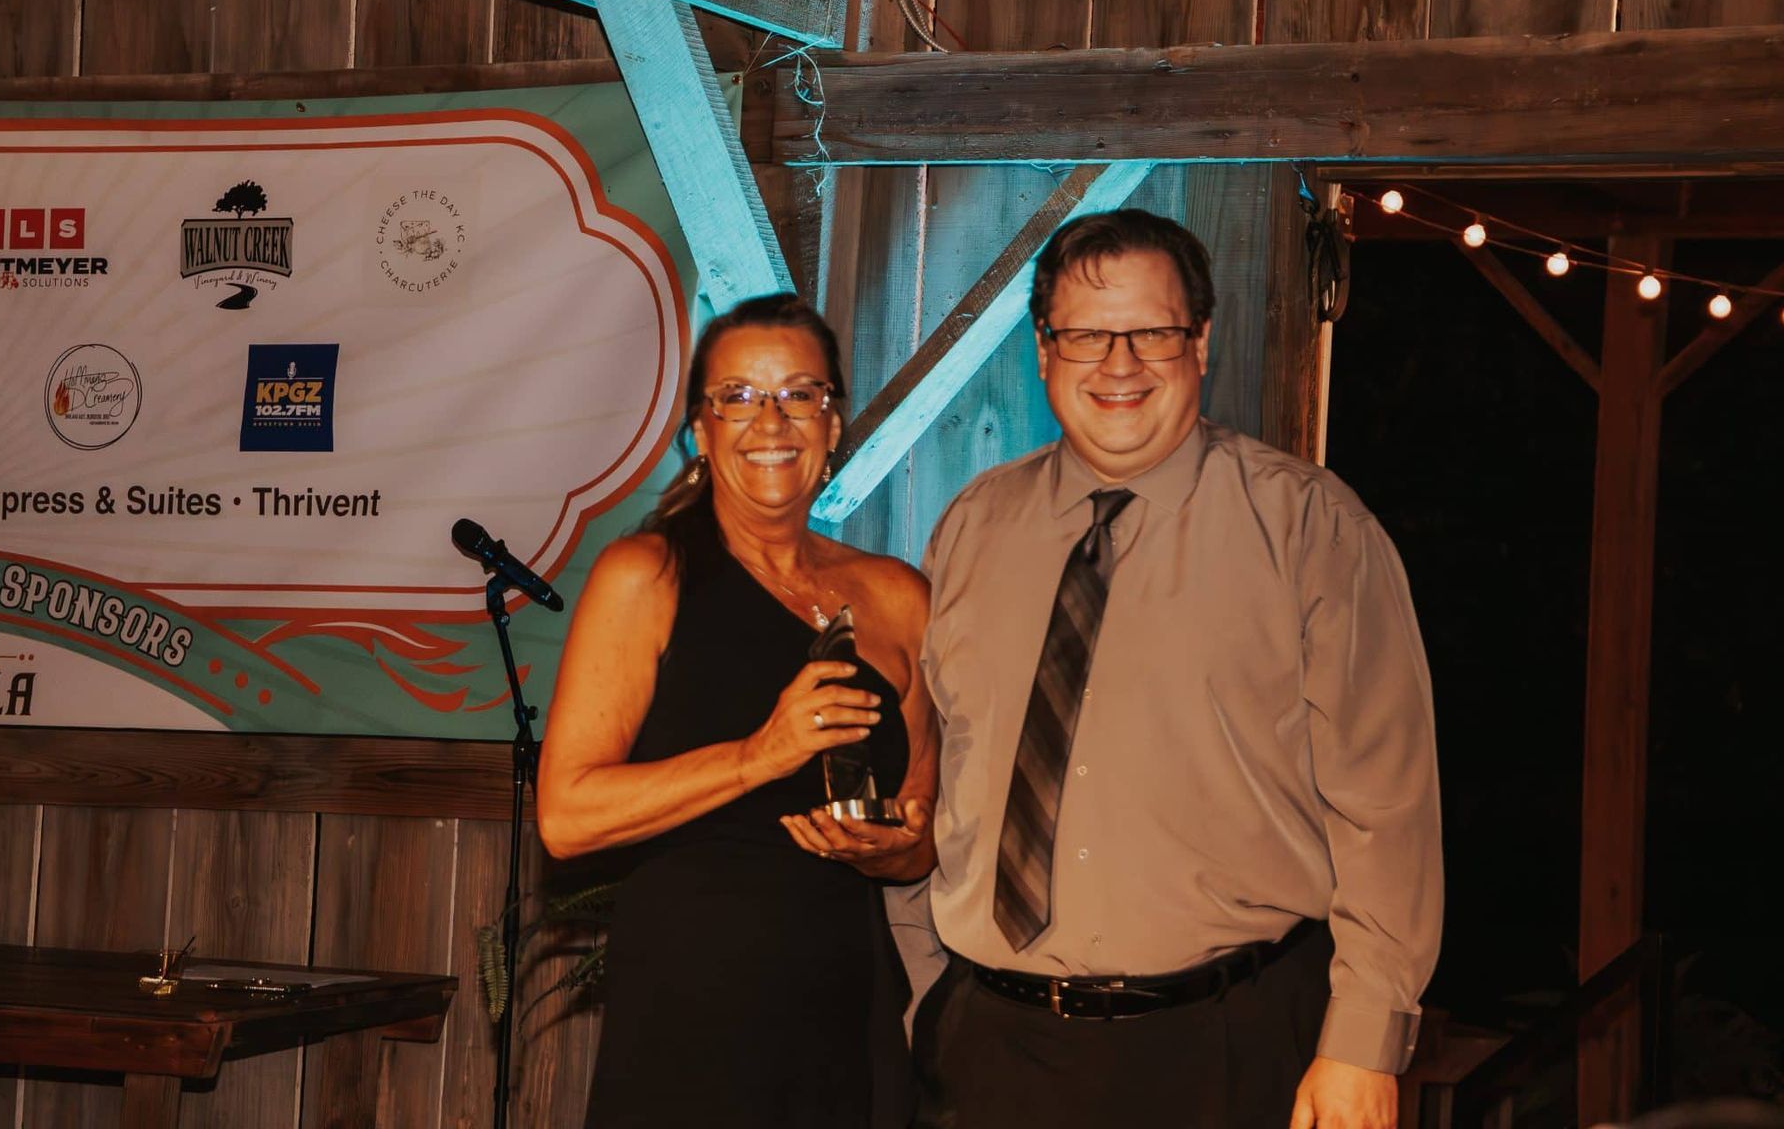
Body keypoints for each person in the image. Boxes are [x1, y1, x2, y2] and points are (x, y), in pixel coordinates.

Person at [910, 209, 1442, 1129]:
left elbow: (1387, 809)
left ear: (1200, 343)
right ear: (1043, 351)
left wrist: (1363, 1044)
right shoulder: (972, 526)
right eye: (1086, 335)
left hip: (1224, 1049)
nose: (1119, 365)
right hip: (990, 1051)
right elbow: (944, 773)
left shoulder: (1311, 529)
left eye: (1151, 332)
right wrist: (926, 991)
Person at [539, 293, 939, 1129]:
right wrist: (762, 753)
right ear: (701, 431)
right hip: (695, 1011)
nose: (772, 420)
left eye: (799, 394)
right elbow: (567, 818)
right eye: (740, 397)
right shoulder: (647, 575)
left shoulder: (900, 596)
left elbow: (923, 834)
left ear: (832, 424)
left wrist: (891, 848)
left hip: (850, 1004)